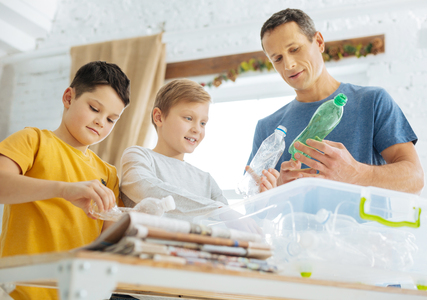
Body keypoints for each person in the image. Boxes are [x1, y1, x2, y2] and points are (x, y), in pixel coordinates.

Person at [247, 8, 424, 194]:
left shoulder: (372, 102)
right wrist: (279, 188)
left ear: (319, 42)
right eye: (277, 58)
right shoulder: (268, 129)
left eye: (294, 49)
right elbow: (252, 208)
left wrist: (356, 173)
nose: (288, 64)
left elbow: (415, 178)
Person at [0, 61, 131, 300]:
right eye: (94, 108)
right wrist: (63, 189)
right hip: (18, 292)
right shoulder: (33, 140)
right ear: (69, 98)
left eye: (112, 119)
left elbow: (108, 246)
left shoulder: (109, 174)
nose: (101, 122)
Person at [120, 79, 278, 223]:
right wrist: (216, 209)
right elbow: (146, 189)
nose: (197, 129)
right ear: (159, 117)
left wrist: (260, 204)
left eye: (203, 123)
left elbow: (229, 225)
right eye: (188, 118)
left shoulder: (207, 181)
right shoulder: (138, 156)